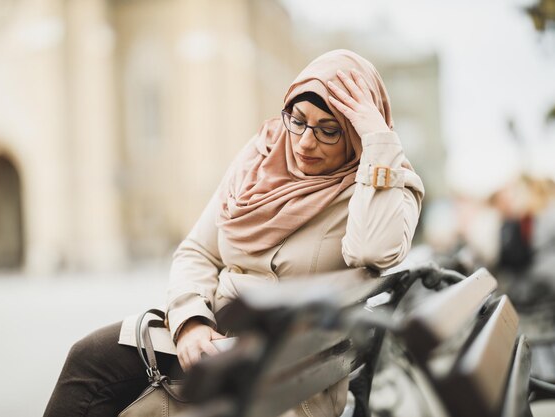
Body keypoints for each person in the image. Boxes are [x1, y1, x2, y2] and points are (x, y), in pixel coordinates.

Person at [43, 49, 425, 417]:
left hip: (292, 370)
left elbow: (373, 249)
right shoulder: (260, 158)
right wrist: (192, 321)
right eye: (298, 119)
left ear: (357, 137)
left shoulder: (385, 185)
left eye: (329, 131)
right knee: (90, 359)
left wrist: (378, 141)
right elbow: (198, 251)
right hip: (214, 340)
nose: (305, 141)